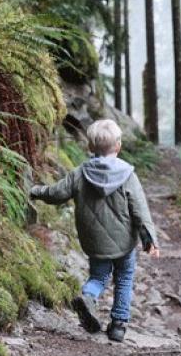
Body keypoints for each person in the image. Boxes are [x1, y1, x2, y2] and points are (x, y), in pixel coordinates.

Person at [29, 119, 159, 342]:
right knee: (125, 278)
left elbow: (57, 193)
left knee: (98, 277)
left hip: (95, 241)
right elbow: (139, 209)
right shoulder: (128, 175)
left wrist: (36, 191)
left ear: (90, 147)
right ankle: (118, 325)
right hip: (124, 242)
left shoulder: (80, 173)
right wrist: (149, 240)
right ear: (118, 146)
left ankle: (88, 297)